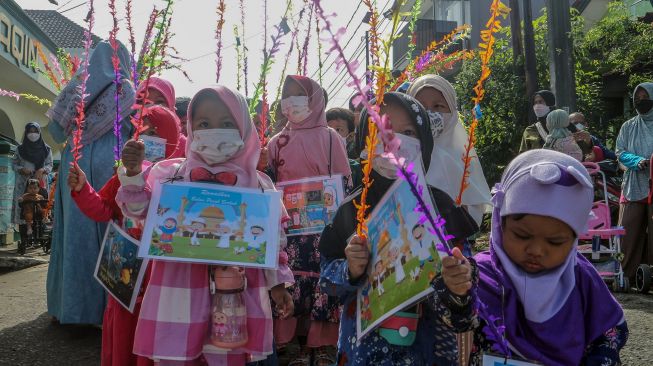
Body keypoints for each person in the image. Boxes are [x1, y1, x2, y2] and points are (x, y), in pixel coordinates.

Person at [117, 85, 294, 365]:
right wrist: (133, 176)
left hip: (236, 300)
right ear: (191, 127)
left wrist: (278, 285)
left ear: (244, 128)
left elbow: (274, 241)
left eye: (226, 124)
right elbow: (136, 213)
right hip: (178, 296)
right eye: (204, 124)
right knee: (178, 355)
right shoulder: (169, 174)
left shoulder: (259, 184)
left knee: (228, 356)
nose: (215, 131)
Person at [319, 92, 479, 365]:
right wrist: (351, 269)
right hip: (362, 354)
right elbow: (327, 279)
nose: (395, 141)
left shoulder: (440, 207)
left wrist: (457, 285)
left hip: (428, 352)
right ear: (365, 142)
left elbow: (464, 299)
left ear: (424, 143)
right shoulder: (352, 209)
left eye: (408, 132)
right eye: (384, 130)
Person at [441, 149, 628, 365]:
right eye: (522, 235)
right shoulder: (478, 276)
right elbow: (449, 331)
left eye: (555, 241)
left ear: (574, 238)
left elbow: (610, 333)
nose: (537, 250)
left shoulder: (581, 278)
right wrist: (454, 292)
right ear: (500, 224)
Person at [67, 104, 182, 366]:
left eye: (155, 131)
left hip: (160, 276)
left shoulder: (179, 176)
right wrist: (83, 189)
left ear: (171, 136)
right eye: (141, 131)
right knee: (124, 329)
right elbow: (103, 209)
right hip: (125, 270)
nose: (144, 139)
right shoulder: (123, 174)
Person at [45, 40, 135, 325]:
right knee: (111, 231)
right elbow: (136, 127)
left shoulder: (77, 85)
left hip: (76, 161)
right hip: (112, 160)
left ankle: (70, 308)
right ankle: (107, 311)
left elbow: (56, 132)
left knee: (74, 234)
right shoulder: (127, 88)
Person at [267, 75, 351, 365]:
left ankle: (322, 344)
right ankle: (287, 342)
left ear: (314, 100)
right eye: (285, 94)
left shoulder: (331, 138)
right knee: (289, 279)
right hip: (287, 228)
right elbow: (271, 183)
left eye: (298, 95)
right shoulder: (276, 142)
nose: (291, 101)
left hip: (321, 228)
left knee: (321, 282)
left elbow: (344, 183)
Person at [406, 75, 491, 227]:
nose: (429, 113)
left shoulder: (463, 159)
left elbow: (473, 213)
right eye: (420, 105)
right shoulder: (398, 156)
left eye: (438, 106)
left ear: (452, 112)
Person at [616, 82, 653, 284]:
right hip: (633, 186)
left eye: (645, 97)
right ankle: (623, 275)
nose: (641, 102)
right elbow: (620, 153)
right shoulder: (629, 126)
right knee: (626, 233)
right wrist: (638, 161)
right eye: (637, 99)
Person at [12, 122, 53, 238]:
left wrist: (43, 170)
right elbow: (13, 164)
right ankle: (24, 237)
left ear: (39, 133)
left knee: (40, 207)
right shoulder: (19, 149)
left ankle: (38, 235)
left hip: (40, 184)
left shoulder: (47, 149)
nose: (33, 134)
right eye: (30, 131)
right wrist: (21, 169)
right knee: (23, 207)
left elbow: (50, 165)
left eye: (35, 131)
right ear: (26, 133)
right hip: (23, 184)